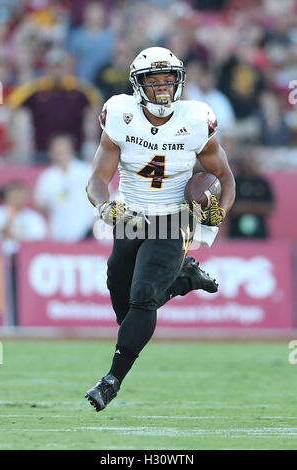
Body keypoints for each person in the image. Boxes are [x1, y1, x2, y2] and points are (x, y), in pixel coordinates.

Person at [85, 47, 236, 412]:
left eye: (168, 79)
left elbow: (225, 178)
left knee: (143, 296)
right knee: (123, 299)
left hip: (175, 217)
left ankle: (111, 381)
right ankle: (183, 279)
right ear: (138, 86)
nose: (163, 88)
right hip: (131, 215)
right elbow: (97, 180)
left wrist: (217, 214)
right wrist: (106, 208)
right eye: (153, 81)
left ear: (179, 81)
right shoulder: (120, 114)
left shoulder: (197, 119)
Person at [34, 134, 94, 242]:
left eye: (63, 151)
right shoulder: (47, 177)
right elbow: (40, 204)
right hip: (59, 232)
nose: (60, 155)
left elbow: (103, 196)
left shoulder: (86, 171)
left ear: (71, 151)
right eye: (56, 152)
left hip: (87, 230)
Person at [227, 152, 274, 239]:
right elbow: (227, 209)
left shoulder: (263, 183)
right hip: (236, 235)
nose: (248, 166)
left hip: (259, 235)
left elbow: (271, 208)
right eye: (245, 162)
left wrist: (247, 206)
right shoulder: (232, 183)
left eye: (251, 162)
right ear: (239, 164)